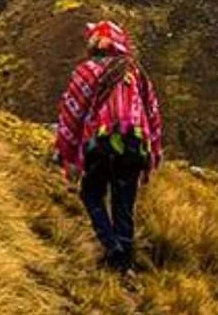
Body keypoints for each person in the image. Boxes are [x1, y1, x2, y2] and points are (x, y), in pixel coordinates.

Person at [54, 20, 164, 273]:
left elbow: (71, 113)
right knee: (124, 204)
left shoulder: (86, 71)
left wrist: (66, 153)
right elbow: (153, 113)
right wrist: (154, 153)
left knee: (91, 193)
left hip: (101, 143)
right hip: (136, 144)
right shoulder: (136, 73)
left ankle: (110, 245)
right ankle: (123, 263)